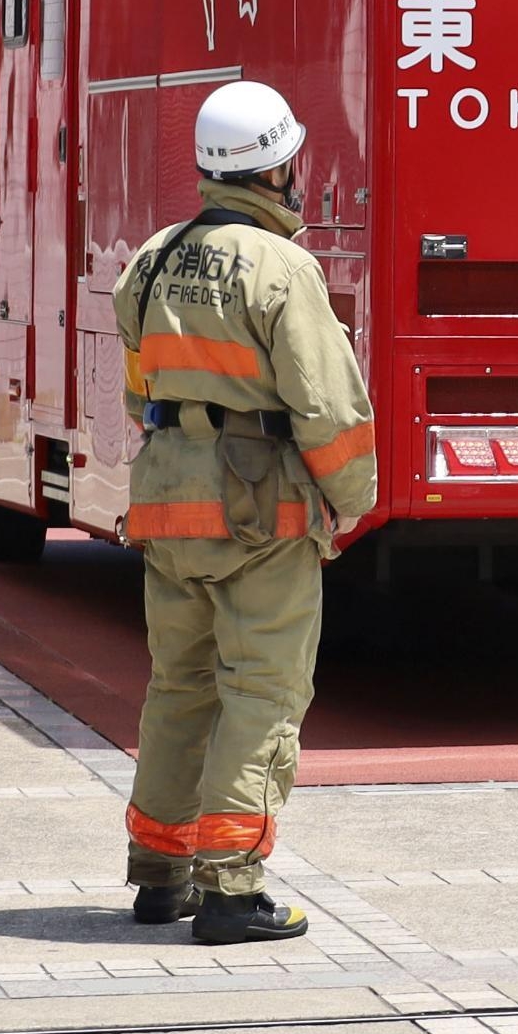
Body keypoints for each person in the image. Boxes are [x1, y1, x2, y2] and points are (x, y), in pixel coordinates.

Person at [107, 79, 380, 945]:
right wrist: (352, 504)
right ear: (278, 167)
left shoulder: (150, 258)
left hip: (164, 500)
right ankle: (231, 888)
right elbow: (329, 409)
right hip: (259, 511)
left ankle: (160, 872)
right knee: (261, 692)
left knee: (179, 688)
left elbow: (138, 390)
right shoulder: (285, 269)